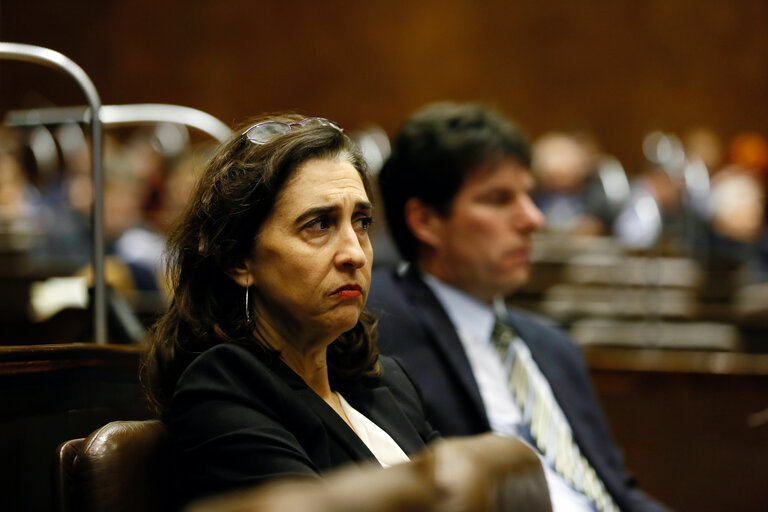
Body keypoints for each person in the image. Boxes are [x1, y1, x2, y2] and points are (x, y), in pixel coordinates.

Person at [369, 102, 668, 512]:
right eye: (498, 199)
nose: (533, 218)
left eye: (528, 194)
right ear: (426, 221)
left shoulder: (555, 347)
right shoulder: (379, 324)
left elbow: (617, 490)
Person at [141, 114, 438, 508]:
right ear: (238, 260)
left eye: (362, 222)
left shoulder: (387, 382)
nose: (354, 252)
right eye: (319, 225)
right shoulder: (223, 389)